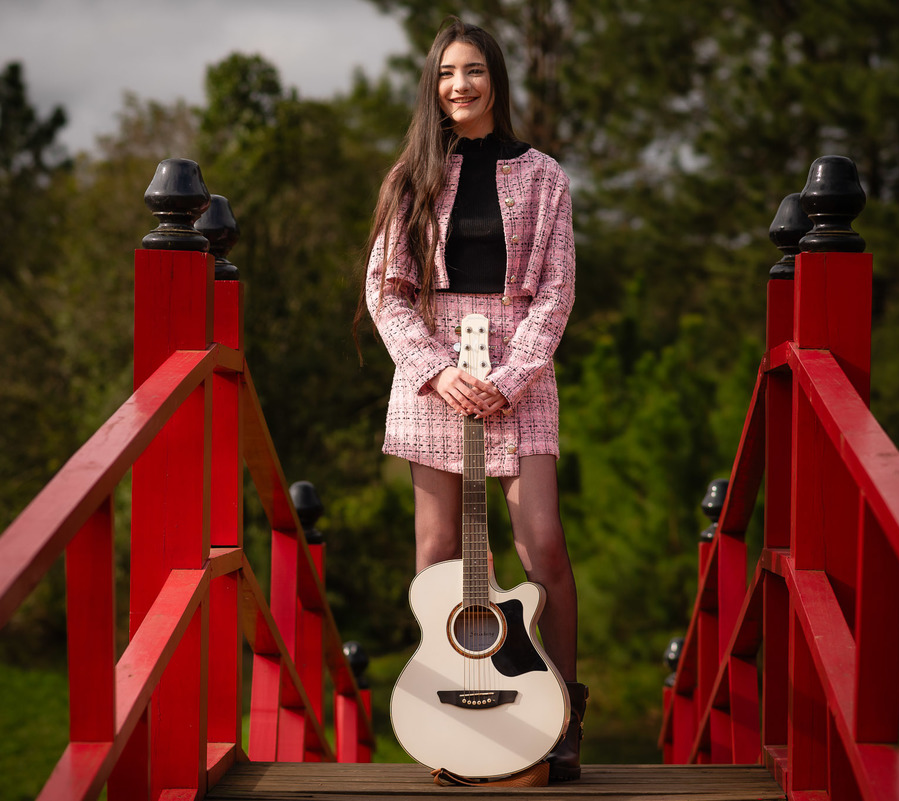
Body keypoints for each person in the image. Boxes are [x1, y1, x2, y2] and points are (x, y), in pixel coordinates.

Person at [353, 16, 585, 781]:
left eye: (476, 70)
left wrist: (510, 376)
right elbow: (386, 294)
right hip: (434, 372)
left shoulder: (545, 176)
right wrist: (434, 369)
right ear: (433, 84)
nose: (462, 84)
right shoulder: (409, 177)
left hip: (518, 366)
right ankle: (457, 713)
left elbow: (555, 293)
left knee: (541, 542)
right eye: (449, 72)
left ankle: (559, 714)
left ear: (496, 80)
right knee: (437, 552)